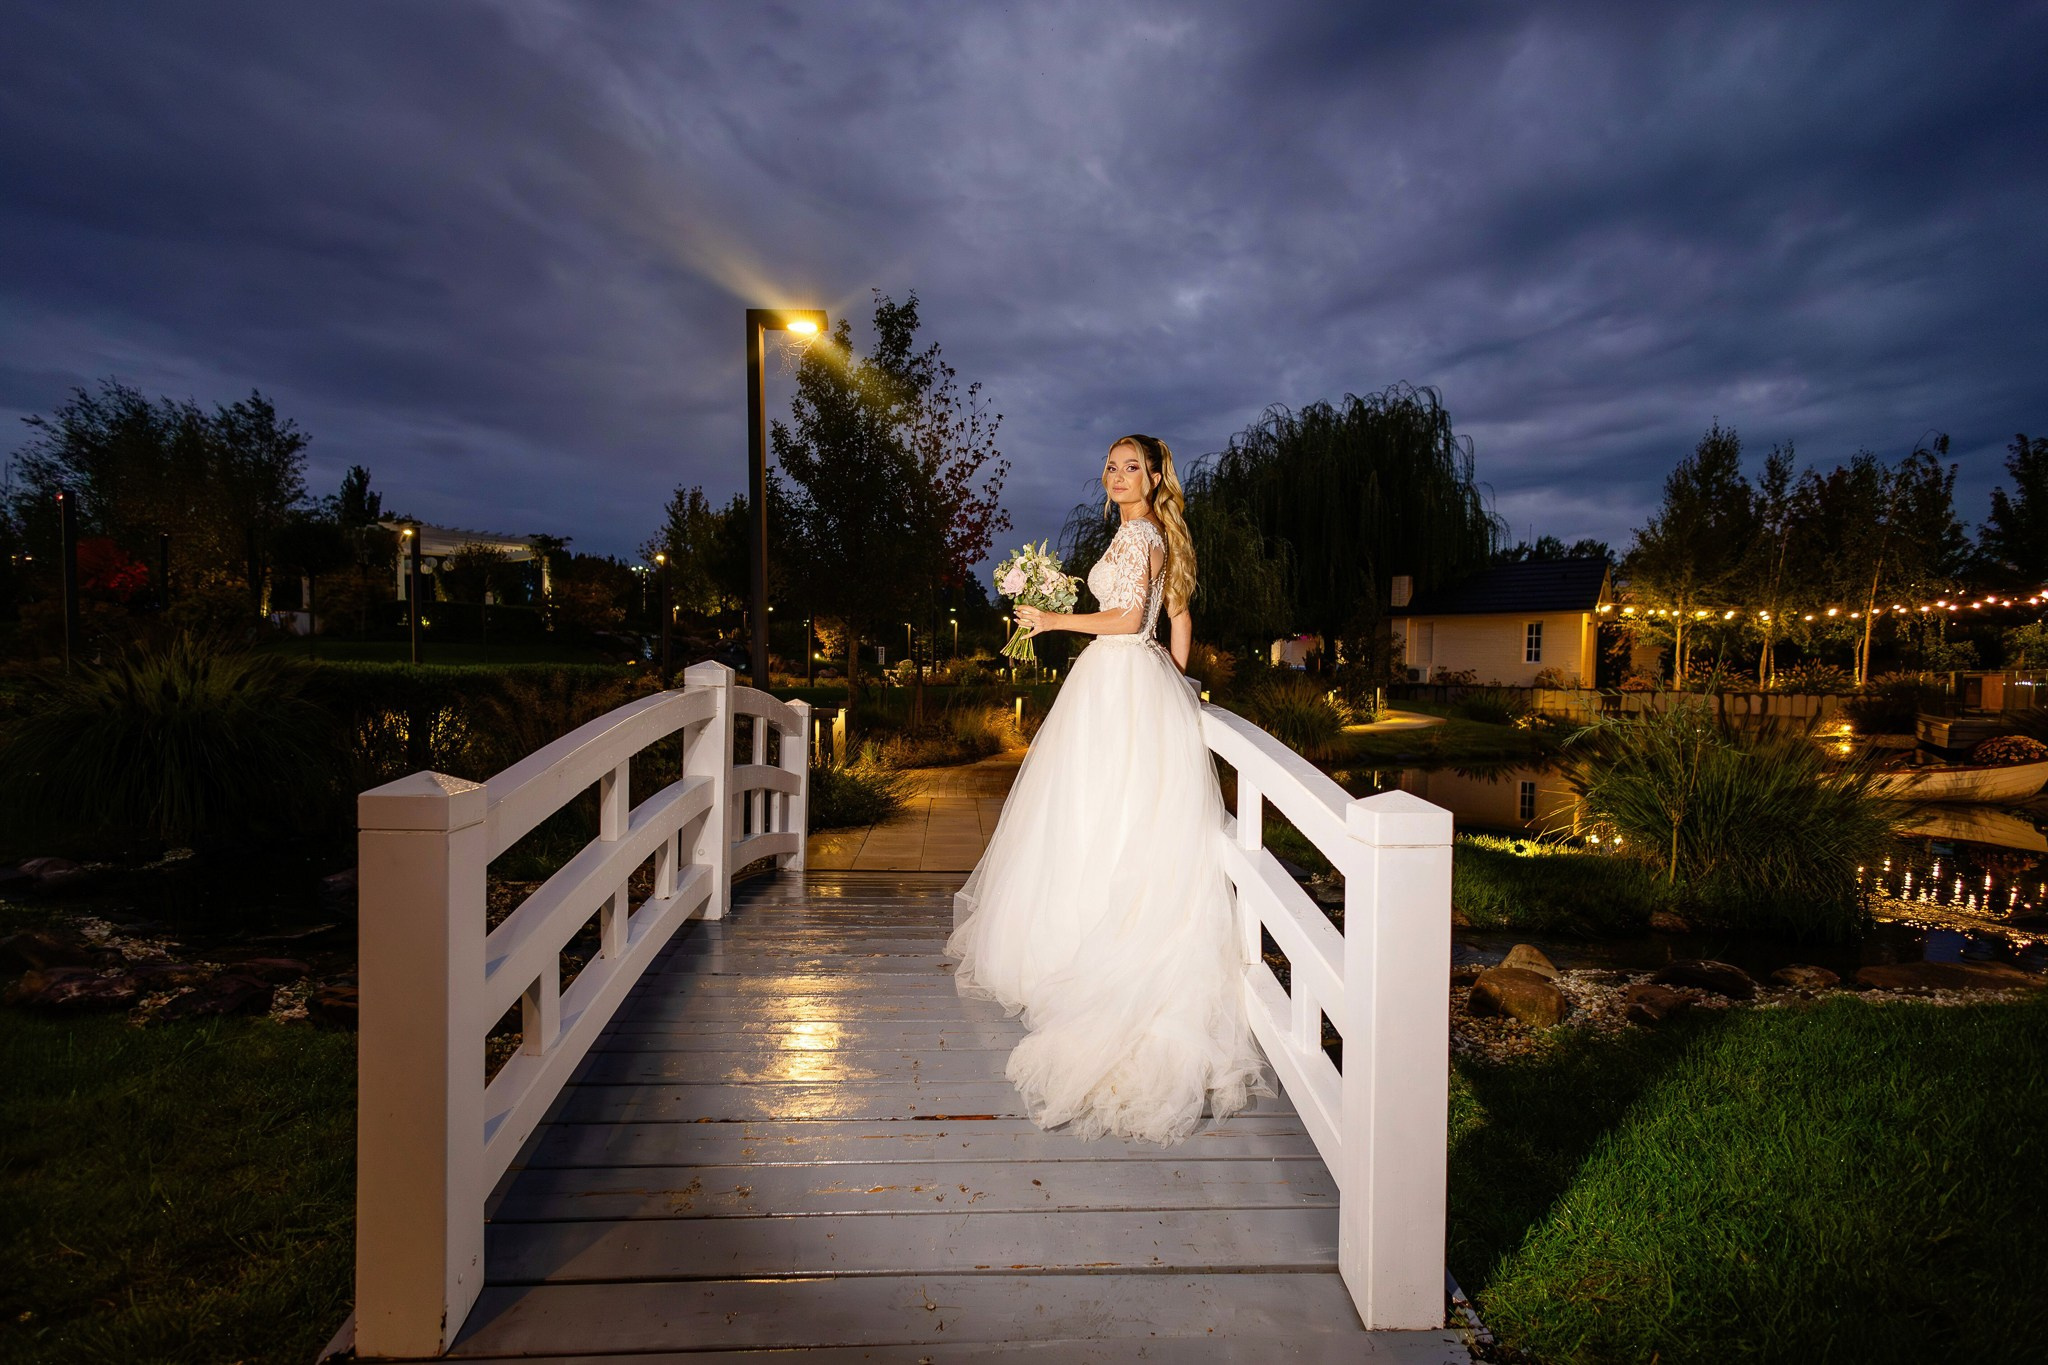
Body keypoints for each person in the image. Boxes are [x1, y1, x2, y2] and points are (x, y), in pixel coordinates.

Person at [947, 434, 1269, 1144]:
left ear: (1155, 479)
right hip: (1130, 683)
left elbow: (1128, 620)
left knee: (1103, 814)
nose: (1119, 474)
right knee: (1106, 814)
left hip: (1116, 676)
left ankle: (1090, 958)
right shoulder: (1148, 538)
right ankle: (1082, 943)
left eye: (1133, 466)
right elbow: (1176, 622)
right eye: (1113, 465)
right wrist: (1179, 683)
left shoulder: (1143, 534)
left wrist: (1052, 619)